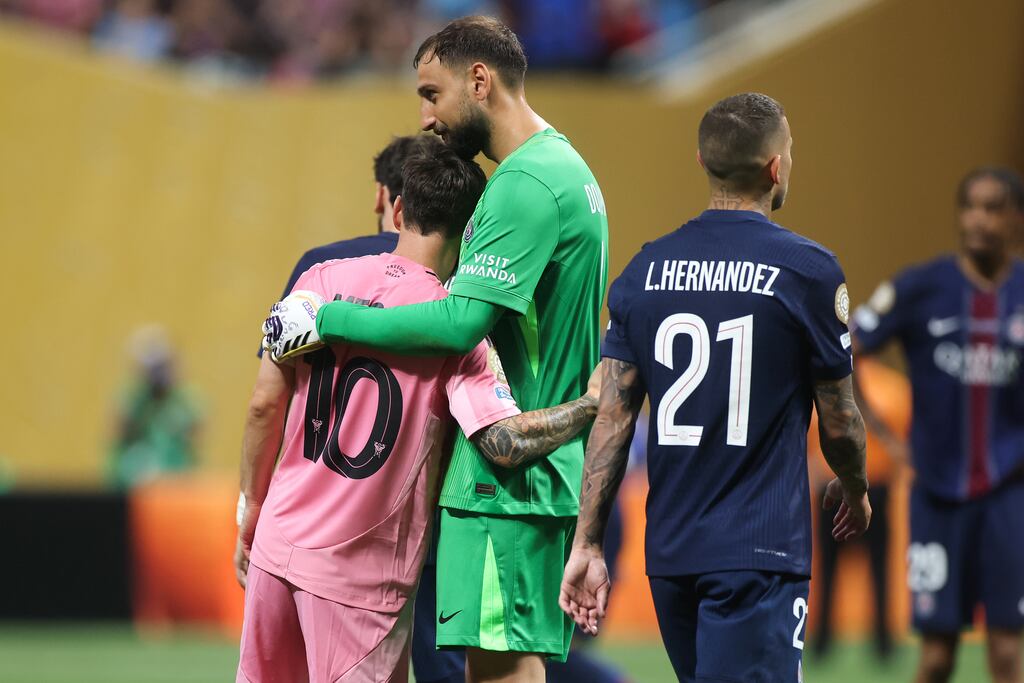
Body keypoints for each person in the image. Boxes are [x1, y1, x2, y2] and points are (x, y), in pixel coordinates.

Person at [263, 15, 608, 683]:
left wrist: (326, 318)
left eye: (431, 93)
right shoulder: (566, 168)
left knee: (498, 667)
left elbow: (457, 324)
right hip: (537, 466)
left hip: (504, 476)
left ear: (479, 80)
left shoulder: (523, 185)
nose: (425, 117)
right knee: (501, 658)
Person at [558, 92, 871, 683]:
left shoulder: (643, 272)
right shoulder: (808, 272)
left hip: (671, 556)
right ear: (776, 167)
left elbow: (612, 419)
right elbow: (840, 420)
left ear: (702, 161)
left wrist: (588, 545)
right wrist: (854, 485)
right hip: (759, 554)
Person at [265, 133, 466, 683]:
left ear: (389, 200)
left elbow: (267, 400)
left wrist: (251, 507)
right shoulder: (462, 303)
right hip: (416, 534)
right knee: (440, 665)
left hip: (293, 531)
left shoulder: (320, 270)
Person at [851, 167, 1024, 683]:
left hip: (1009, 498)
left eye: (994, 207)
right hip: (936, 498)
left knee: (1008, 653)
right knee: (936, 657)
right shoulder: (919, 287)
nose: (979, 219)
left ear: (1015, 218)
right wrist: (880, 438)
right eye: (970, 206)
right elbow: (847, 349)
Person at [809, 357, 911, 660]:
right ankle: (826, 642)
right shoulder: (892, 388)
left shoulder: (888, 388)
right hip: (836, 487)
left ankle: (878, 643)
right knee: (829, 570)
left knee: (871, 569)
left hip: (868, 486)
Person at [109, 324, 201, 489]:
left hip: (175, 485)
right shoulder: (132, 400)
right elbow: (117, 435)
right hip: (134, 484)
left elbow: (195, 432)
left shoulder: (184, 401)